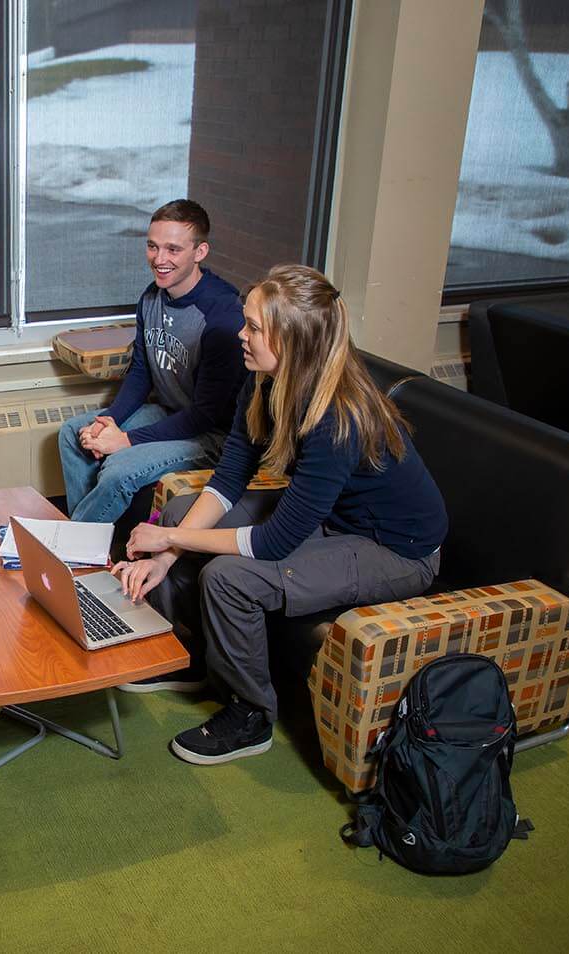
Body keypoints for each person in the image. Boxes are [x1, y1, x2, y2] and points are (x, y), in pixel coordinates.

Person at [110, 265, 447, 767]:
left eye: (253, 328)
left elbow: (271, 546)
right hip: (336, 519)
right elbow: (227, 482)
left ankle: (250, 714)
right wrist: (170, 546)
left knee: (229, 577)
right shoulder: (264, 382)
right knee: (181, 509)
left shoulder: (337, 416)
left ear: (292, 340)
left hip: (396, 550)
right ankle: (192, 656)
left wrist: (170, 542)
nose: (239, 335)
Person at [58, 199, 247, 524]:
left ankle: (73, 549)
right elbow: (141, 373)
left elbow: (205, 416)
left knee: (121, 467)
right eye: (153, 247)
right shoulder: (151, 297)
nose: (160, 259)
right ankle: (90, 542)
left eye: (173, 250)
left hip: (213, 434)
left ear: (199, 252)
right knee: (73, 432)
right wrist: (109, 421)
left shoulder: (222, 316)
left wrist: (126, 440)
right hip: (169, 412)